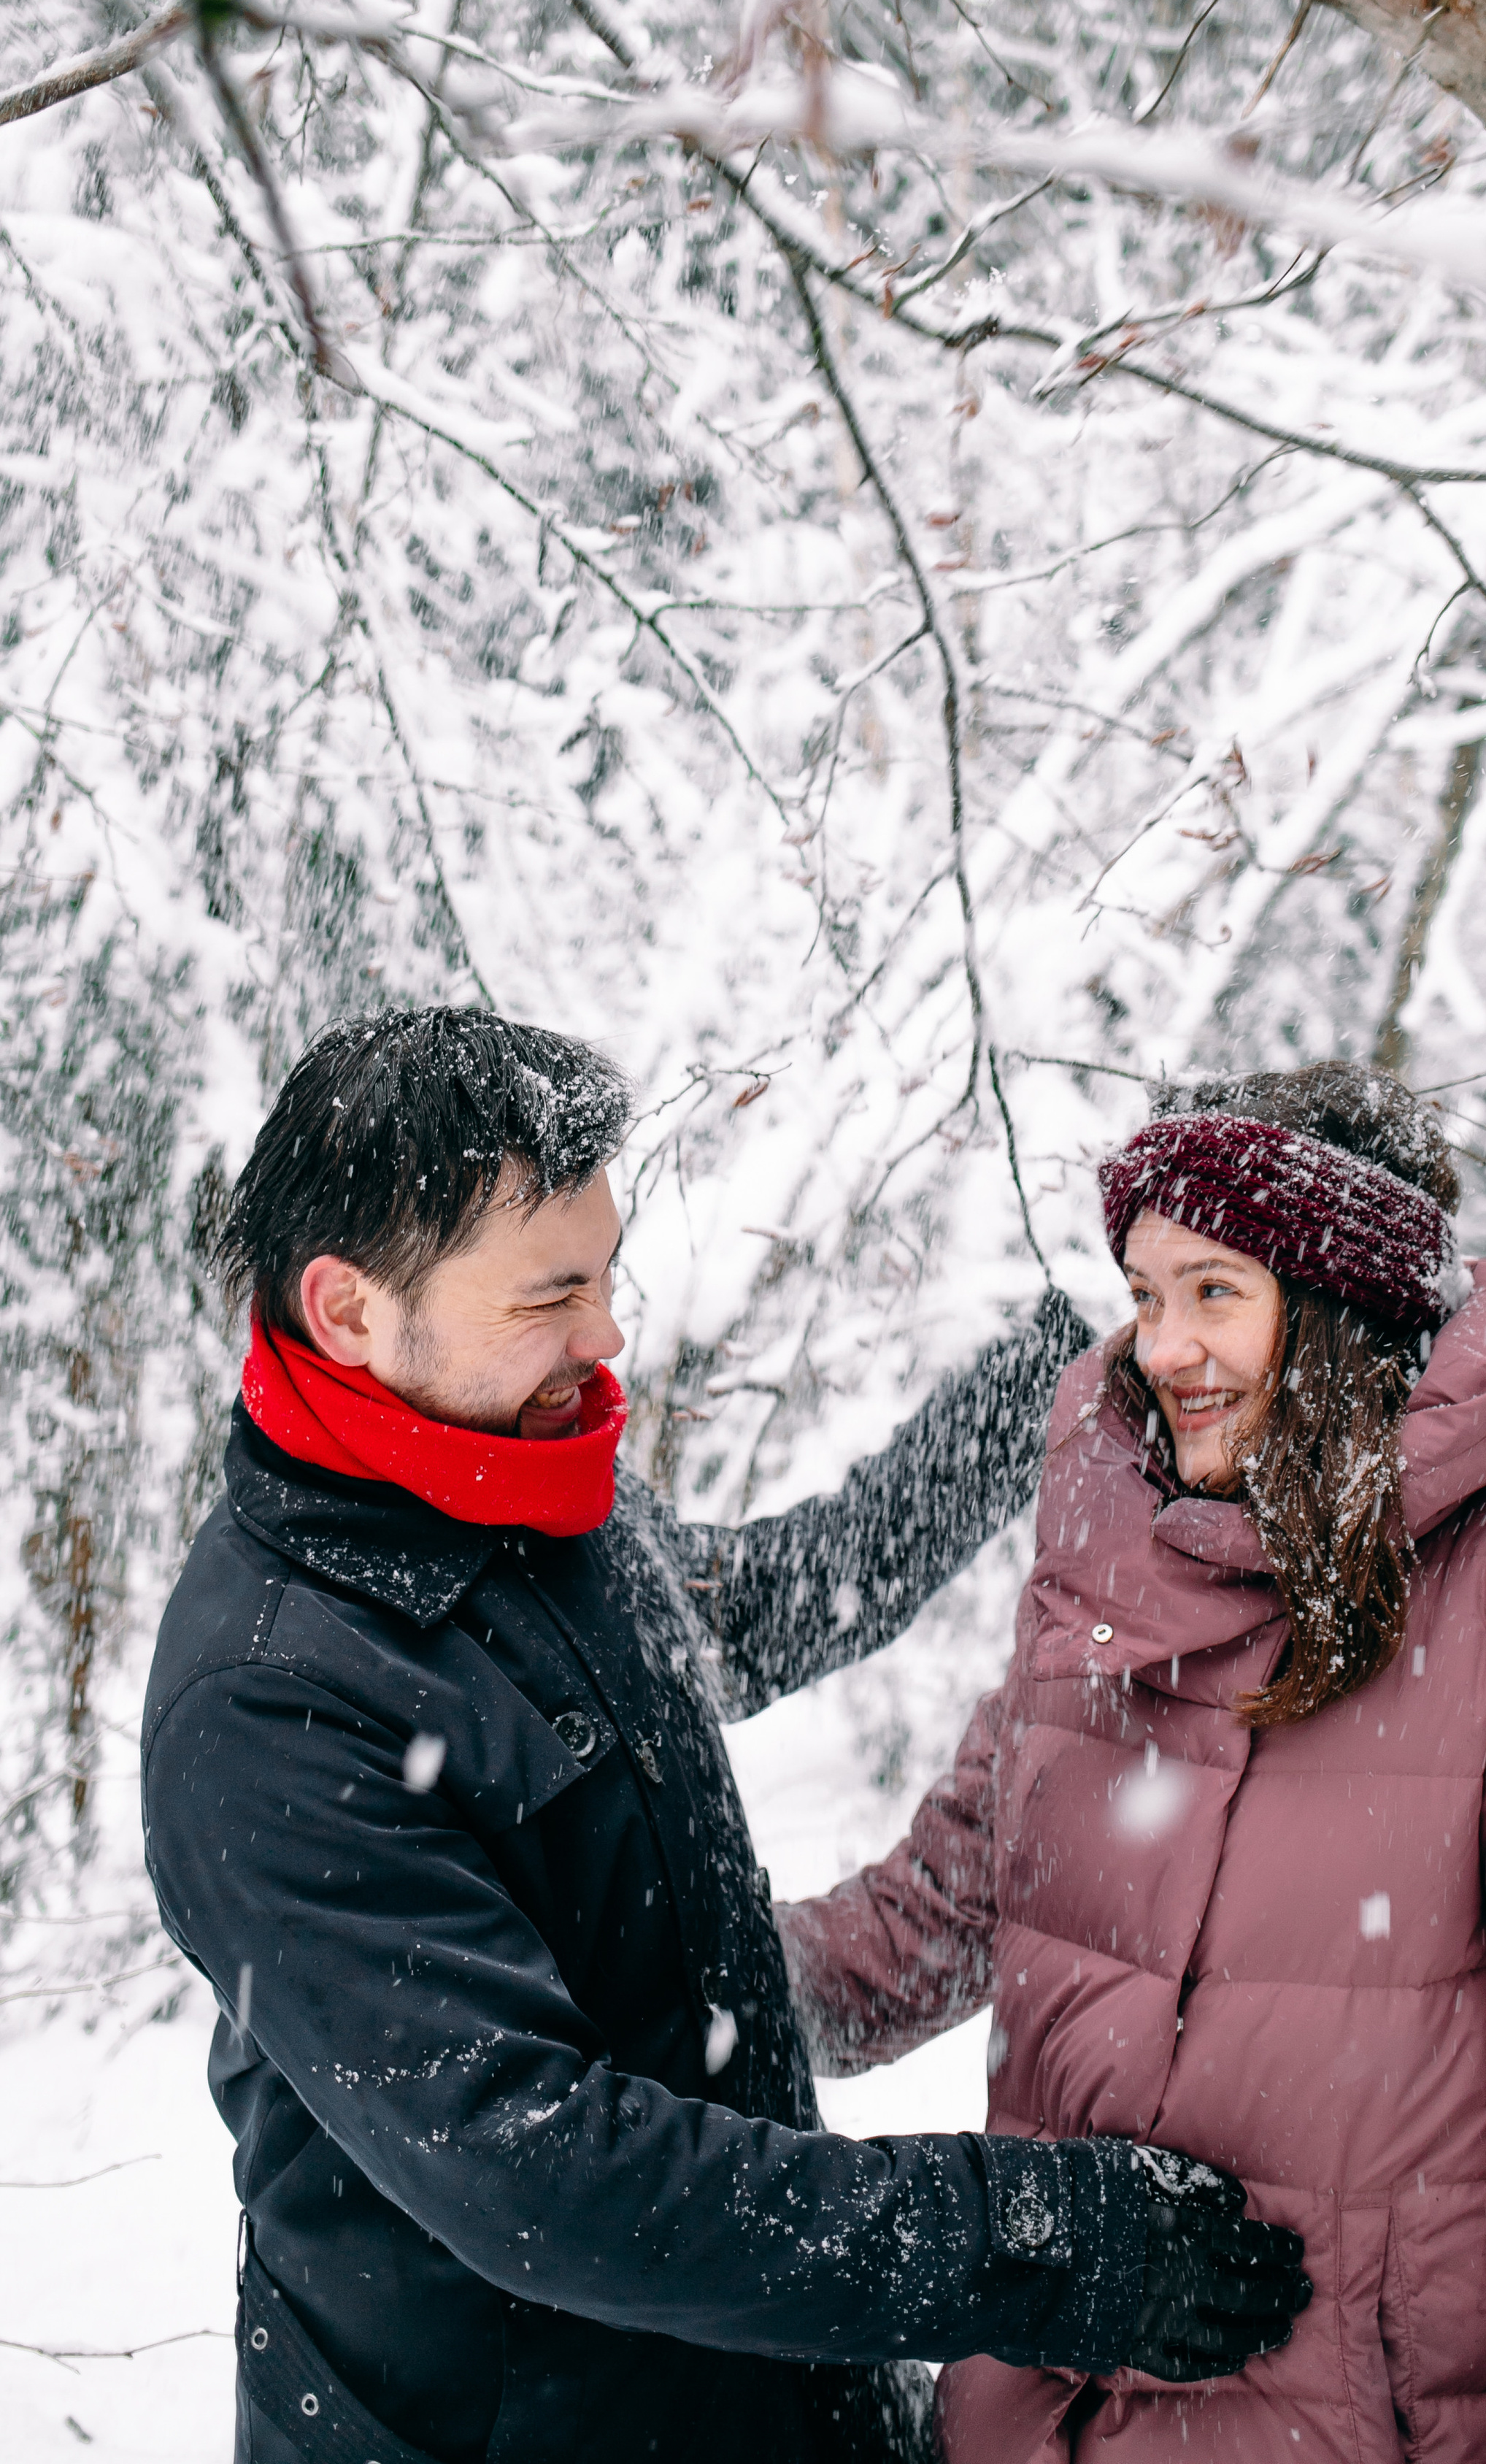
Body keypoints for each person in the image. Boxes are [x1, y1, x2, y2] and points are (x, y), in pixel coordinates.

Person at [140, 1008, 1310, 2464]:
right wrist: (1036, 2243)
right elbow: (546, 2172)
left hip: (760, 2397)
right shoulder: (273, 1701)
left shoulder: (516, 1482)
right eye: (548, 1294)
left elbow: (759, 1609)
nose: (605, 1333)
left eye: (606, 1272)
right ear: (349, 1311)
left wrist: (1030, 1402)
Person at [779, 1061, 1486, 2464]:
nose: (1165, 1349)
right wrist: (640, 1965)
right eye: (1149, 1295)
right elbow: (919, 1929)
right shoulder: (1100, 1589)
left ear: (1348, 1309)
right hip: (1039, 2424)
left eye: (1216, 1292)